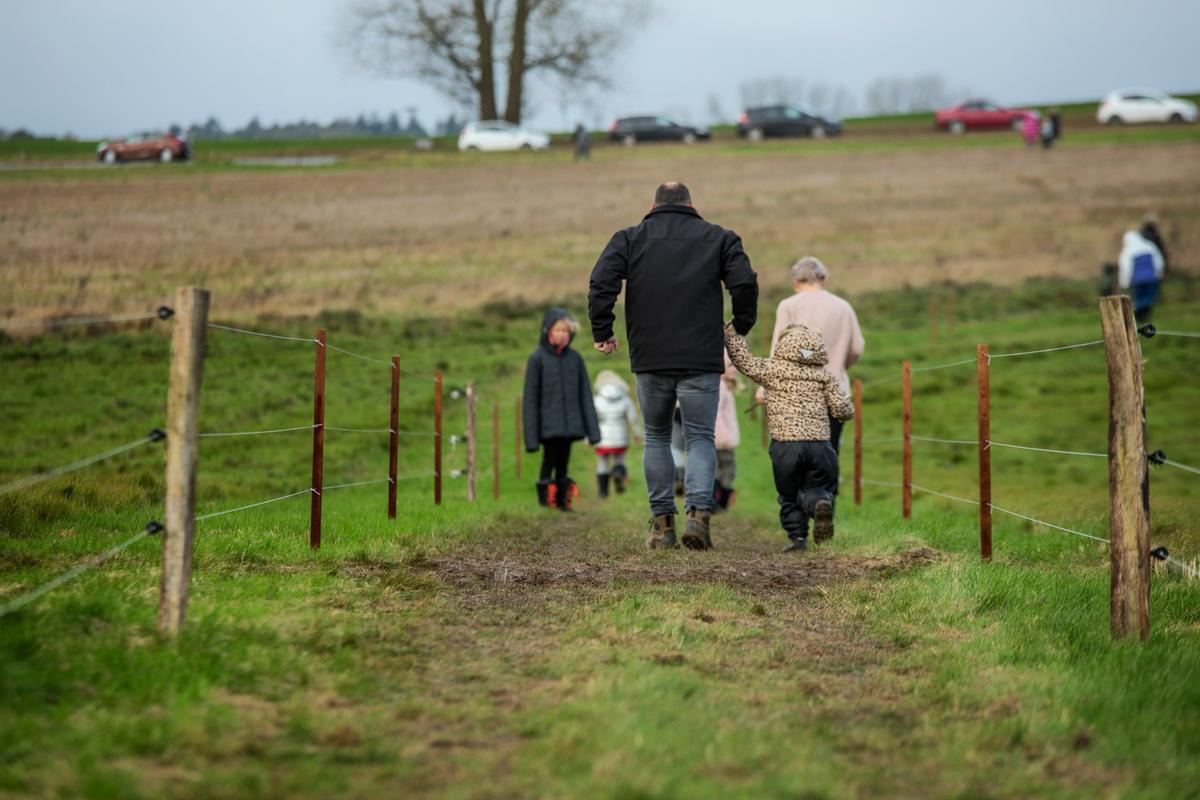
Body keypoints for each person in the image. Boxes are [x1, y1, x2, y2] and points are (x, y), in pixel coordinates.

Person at [589, 181, 758, 550]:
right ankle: (698, 517)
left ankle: (663, 525)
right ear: (691, 204)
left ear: (653, 206)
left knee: (657, 436)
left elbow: (601, 281)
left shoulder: (629, 238)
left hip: (651, 356)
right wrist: (741, 324)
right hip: (701, 357)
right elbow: (744, 282)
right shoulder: (719, 238)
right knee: (700, 438)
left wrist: (603, 330)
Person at [725, 322, 854, 552]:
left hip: (787, 445)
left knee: (789, 494)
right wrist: (843, 412)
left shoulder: (773, 370)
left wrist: (732, 338)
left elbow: (745, 362)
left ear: (784, 345)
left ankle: (798, 538)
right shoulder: (825, 375)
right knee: (817, 487)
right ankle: (818, 505)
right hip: (820, 445)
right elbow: (843, 409)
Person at [759, 256, 863, 455]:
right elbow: (857, 348)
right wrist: (838, 364)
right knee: (829, 454)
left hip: (796, 395)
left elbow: (778, 352)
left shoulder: (789, 305)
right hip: (834, 392)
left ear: (796, 281)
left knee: (796, 456)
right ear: (823, 278)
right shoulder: (843, 307)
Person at [523, 308, 601, 511]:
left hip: (569, 425)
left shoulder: (575, 359)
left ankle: (562, 502)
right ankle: (546, 501)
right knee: (549, 459)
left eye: (565, 330)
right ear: (547, 331)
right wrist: (531, 438)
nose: (562, 334)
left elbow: (585, 395)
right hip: (547, 425)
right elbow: (530, 399)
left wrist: (593, 432)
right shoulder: (537, 359)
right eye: (558, 330)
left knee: (564, 461)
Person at [592, 369, 639, 498]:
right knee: (620, 460)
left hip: (602, 437)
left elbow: (592, 419)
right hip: (621, 436)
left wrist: (589, 438)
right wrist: (637, 434)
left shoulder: (597, 399)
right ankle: (618, 474)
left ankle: (603, 492)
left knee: (602, 462)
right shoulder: (624, 398)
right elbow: (633, 417)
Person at [713, 352, 741, 511]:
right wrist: (725, 437)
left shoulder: (723, 386)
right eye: (730, 365)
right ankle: (719, 502)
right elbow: (716, 415)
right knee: (726, 470)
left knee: (722, 470)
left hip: (722, 439)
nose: (735, 369)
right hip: (722, 441)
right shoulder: (720, 387)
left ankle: (717, 502)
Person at [1118, 229, 1166, 323]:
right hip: (1151, 278)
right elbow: (1158, 260)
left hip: (1138, 280)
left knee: (1139, 299)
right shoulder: (1150, 246)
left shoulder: (1127, 251)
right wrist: (1159, 272)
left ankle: (1140, 317)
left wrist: (1124, 282)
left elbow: (1126, 268)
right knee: (1149, 298)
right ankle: (1145, 317)